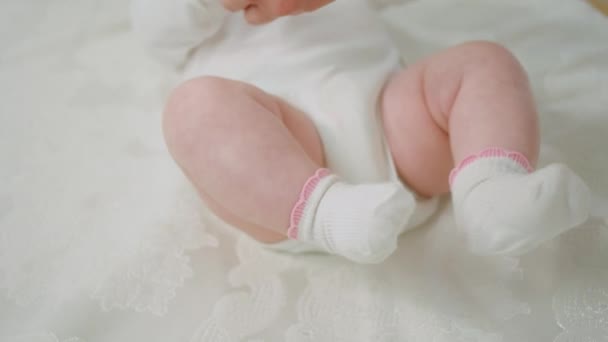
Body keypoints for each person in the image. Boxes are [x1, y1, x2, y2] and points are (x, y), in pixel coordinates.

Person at [131, 0, 591, 263]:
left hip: (391, 120)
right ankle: (331, 215)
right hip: (277, 161)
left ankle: (491, 195)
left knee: (484, 63)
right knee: (193, 111)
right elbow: (155, 33)